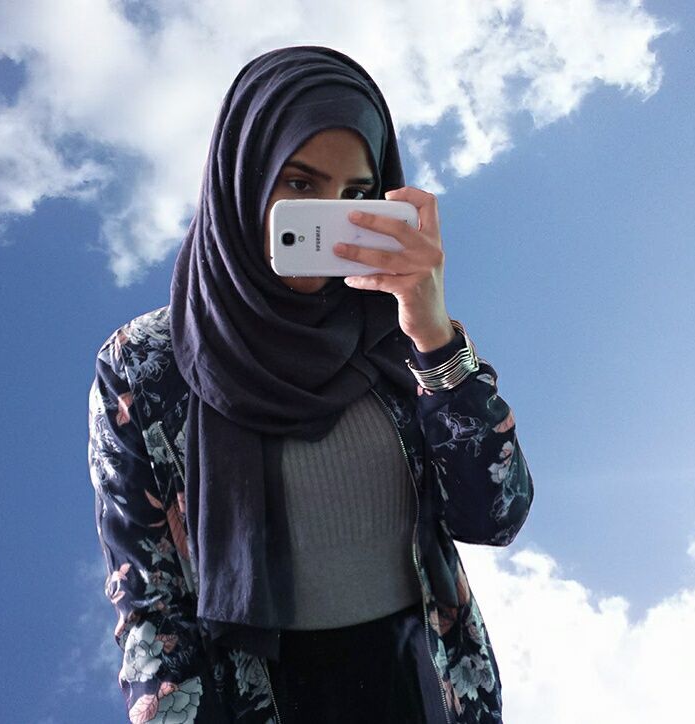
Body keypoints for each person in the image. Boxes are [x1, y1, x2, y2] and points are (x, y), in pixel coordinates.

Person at [87, 46, 534, 724]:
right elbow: (149, 603)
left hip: (422, 684)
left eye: (356, 196)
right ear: (241, 176)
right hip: (257, 700)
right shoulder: (144, 364)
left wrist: (433, 335)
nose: (328, 218)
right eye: (299, 184)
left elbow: (494, 516)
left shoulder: (397, 333)